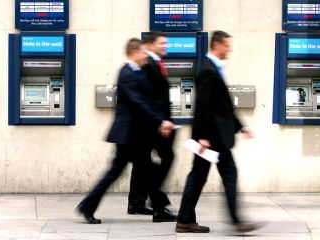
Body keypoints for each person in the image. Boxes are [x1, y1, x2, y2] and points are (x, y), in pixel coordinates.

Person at [76, 38, 173, 224]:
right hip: (128, 136)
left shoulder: (136, 72)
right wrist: (160, 121)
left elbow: (146, 100)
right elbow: (138, 102)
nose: (146, 55)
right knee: (115, 173)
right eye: (143, 52)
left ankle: (159, 209)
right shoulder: (127, 73)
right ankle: (87, 206)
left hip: (136, 135)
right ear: (134, 53)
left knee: (147, 170)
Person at [175, 31, 261, 233]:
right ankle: (236, 220)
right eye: (227, 45)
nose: (229, 49)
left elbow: (223, 106)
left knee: (198, 177)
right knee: (223, 175)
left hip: (214, 137)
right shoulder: (208, 70)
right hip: (212, 138)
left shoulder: (213, 68)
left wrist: (241, 126)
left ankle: (185, 219)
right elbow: (203, 106)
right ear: (217, 45)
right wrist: (203, 137)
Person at [127, 31, 177, 222]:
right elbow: (149, 98)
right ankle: (157, 201)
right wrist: (161, 121)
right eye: (162, 43)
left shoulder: (156, 64)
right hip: (153, 125)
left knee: (143, 163)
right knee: (164, 158)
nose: (166, 46)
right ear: (149, 45)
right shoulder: (148, 65)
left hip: (155, 123)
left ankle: (137, 202)